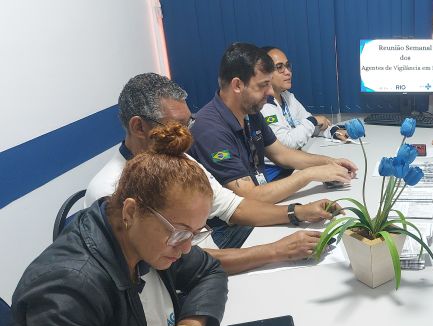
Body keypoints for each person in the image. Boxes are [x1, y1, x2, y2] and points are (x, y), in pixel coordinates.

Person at [3, 125, 227, 326]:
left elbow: (210, 271)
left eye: (194, 233)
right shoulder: (70, 289)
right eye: (180, 233)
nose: (186, 248)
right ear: (130, 211)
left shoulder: (144, 235)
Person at [85, 73, 339, 274]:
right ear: (139, 127)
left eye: (187, 123)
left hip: (212, 265)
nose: (186, 135)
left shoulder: (179, 159)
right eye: (176, 126)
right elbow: (179, 263)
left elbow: (232, 206)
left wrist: (298, 212)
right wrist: (276, 251)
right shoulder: (110, 189)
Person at [188, 42, 358, 205]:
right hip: (237, 219)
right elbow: (248, 197)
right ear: (238, 85)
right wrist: (310, 174)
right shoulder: (210, 130)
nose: (270, 92)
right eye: (263, 85)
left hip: (260, 202)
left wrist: (330, 162)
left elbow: (282, 154)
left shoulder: (250, 111)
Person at [259, 46, 350, 181]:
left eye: (288, 66)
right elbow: (287, 145)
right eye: (279, 67)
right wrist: (313, 121)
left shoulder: (287, 97)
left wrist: (333, 131)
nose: (288, 72)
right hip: (277, 173)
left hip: (295, 164)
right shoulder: (263, 106)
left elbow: (310, 125)